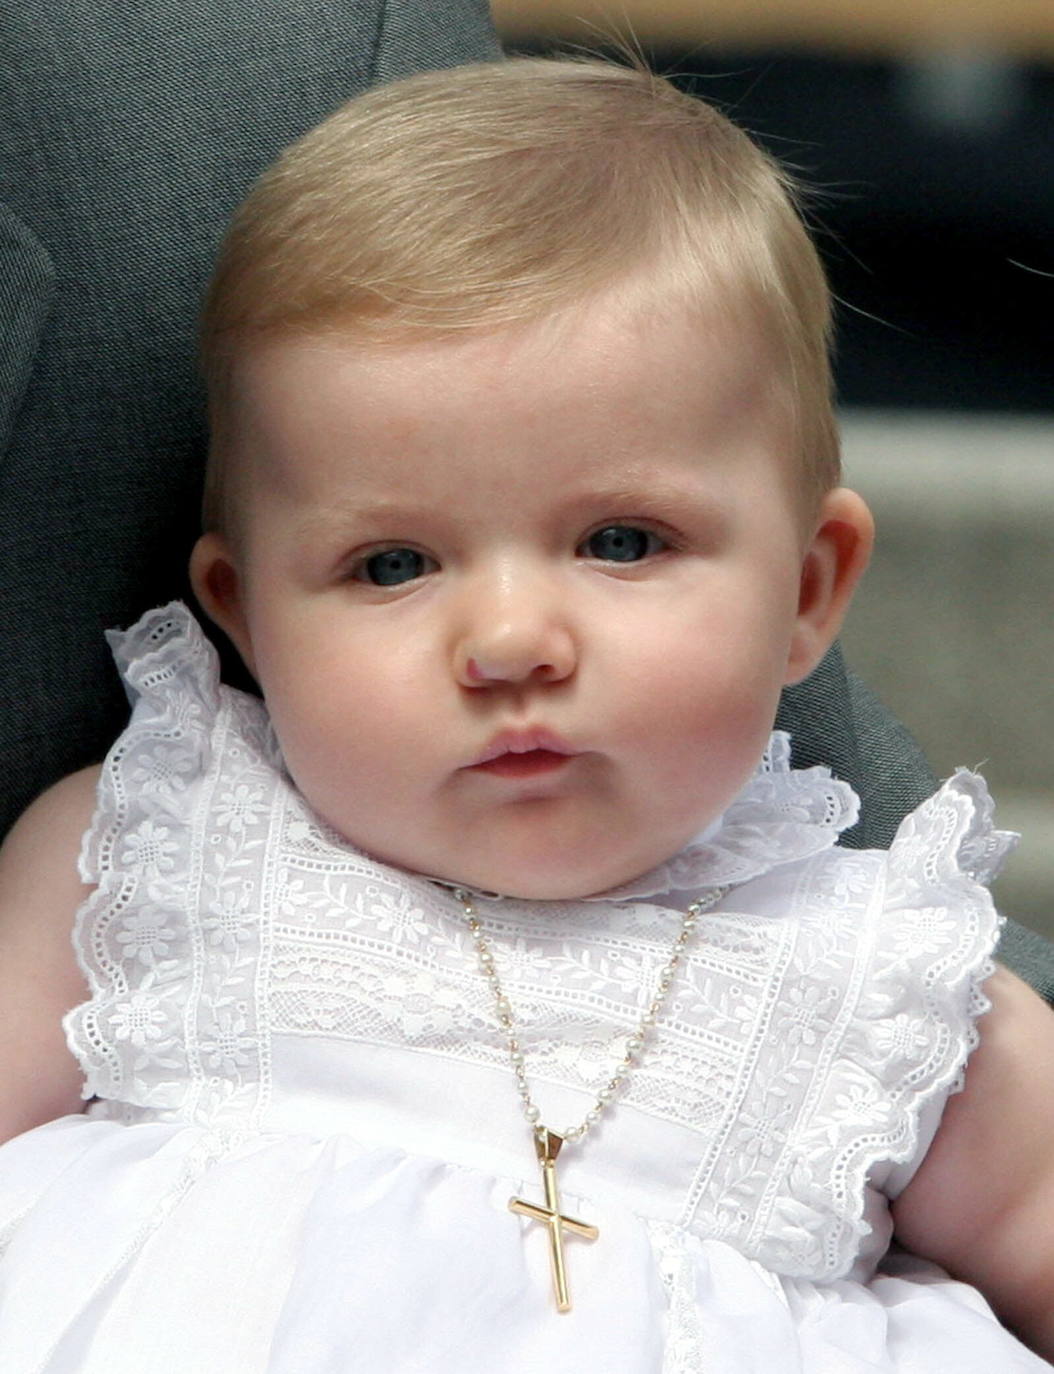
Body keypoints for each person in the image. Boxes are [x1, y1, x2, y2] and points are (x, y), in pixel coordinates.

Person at [0, 56, 1052, 1372]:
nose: (506, 642)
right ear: (245, 612)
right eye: (392, 564)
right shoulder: (150, 855)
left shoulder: (892, 989)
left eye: (620, 540)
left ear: (805, 587)